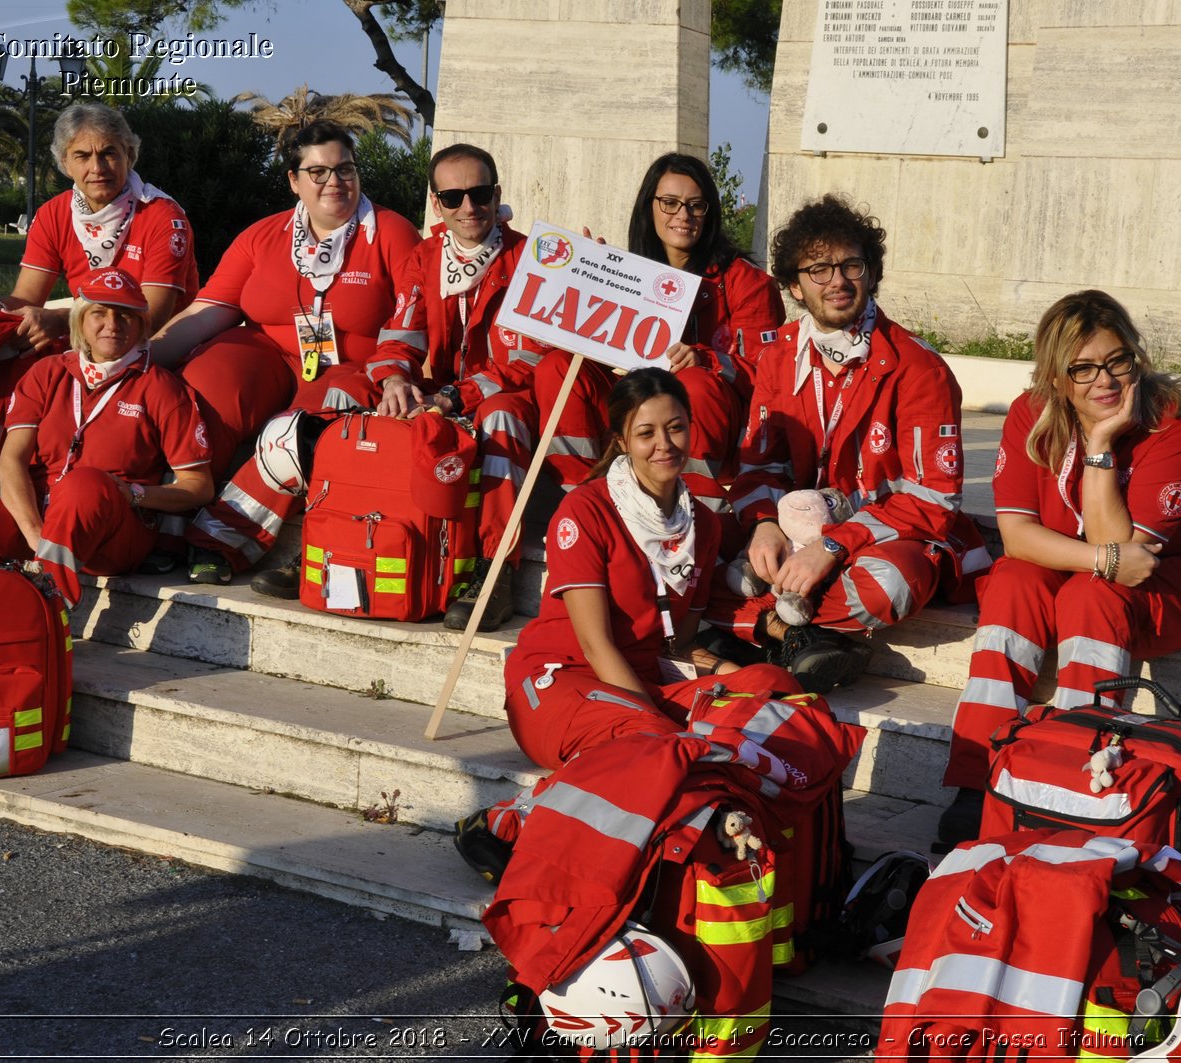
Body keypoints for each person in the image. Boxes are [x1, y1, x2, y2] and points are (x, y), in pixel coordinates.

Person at [452, 369, 802, 881]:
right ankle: (510, 820)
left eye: (676, 428)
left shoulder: (700, 524)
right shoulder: (586, 509)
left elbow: (675, 639)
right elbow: (596, 647)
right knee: (657, 742)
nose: (665, 444)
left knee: (776, 687)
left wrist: (727, 674)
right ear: (622, 441)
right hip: (560, 681)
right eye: (647, 433)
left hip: (637, 679)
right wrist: (664, 729)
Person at [936, 289, 1181, 848]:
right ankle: (977, 779)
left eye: (1118, 361)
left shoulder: (1173, 425)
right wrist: (1098, 560)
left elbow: (1129, 560)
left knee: (1090, 597)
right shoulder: (1032, 412)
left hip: (1175, 579)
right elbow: (1020, 538)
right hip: (1082, 563)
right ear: (1055, 378)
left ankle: (1070, 772)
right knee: (1013, 582)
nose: (1106, 381)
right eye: (1084, 369)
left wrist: (1099, 445)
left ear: (1135, 357)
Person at [709, 194, 989, 693]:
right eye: (818, 269)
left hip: (879, 538)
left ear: (871, 273)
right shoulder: (777, 356)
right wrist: (765, 526)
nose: (837, 280)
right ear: (794, 286)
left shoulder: (919, 369)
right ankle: (797, 635)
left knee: (889, 586)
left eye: (850, 265)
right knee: (691, 547)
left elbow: (935, 500)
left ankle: (771, 630)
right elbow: (758, 468)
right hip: (794, 530)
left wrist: (833, 546)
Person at [0, 103, 198, 540]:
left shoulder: (163, 216)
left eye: (109, 153)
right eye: (82, 156)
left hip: (150, 342)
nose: (97, 166)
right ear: (64, 162)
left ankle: (26, 489)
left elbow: (153, 312)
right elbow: (26, 295)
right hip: (83, 336)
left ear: (130, 155)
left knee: (34, 368)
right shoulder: (55, 213)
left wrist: (57, 321)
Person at [145, 120, 421, 591]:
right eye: (318, 172)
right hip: (269, 353)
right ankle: (163, 527)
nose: (334, 181)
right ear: (294, 180)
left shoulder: (392, 233)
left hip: (354, 366)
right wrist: (141, 356)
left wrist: (395, 372)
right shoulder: (263, 236)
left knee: (297, 430)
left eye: (345, 169)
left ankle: (218, 539)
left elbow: (412, 321)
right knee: (204, 382)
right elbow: (208, 311)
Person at [373, 143, 611, 627]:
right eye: (454, 196)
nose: (468, 207)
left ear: (497, 194)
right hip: (445, 395)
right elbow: (400, 335)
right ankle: (344, 532)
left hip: (511, 401)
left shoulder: (535, 257)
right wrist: (395, 377)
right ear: (436, 202)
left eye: (479, 193)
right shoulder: (423, 257)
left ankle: (496, 571)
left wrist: (596, 279)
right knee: (355, 395)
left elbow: (531, 358)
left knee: (498, 414)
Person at [0, 270, 213, 609]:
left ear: (143, 326)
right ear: (80, 321)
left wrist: (136, 493)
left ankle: (44, 616)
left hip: (113, 530)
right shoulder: (47, 371)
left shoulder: (161, 388)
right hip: (38, 517)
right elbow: (11, 460)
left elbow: (198, 486)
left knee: (83, 485)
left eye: (125, 315)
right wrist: (35, 535)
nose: (112, 324)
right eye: (99, 312)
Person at [622, 152, 786, 521]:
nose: (683, 215)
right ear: (649, 206)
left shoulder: (748, 283)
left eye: (697, 205)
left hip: (719, 432)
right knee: (560, 368)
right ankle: (573, 496)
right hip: (639, 416)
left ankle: (694, 513)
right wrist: (590, 273)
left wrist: (706, 359)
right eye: (670, 203)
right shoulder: (631, 272)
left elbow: (770, 377)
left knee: (692, 382)